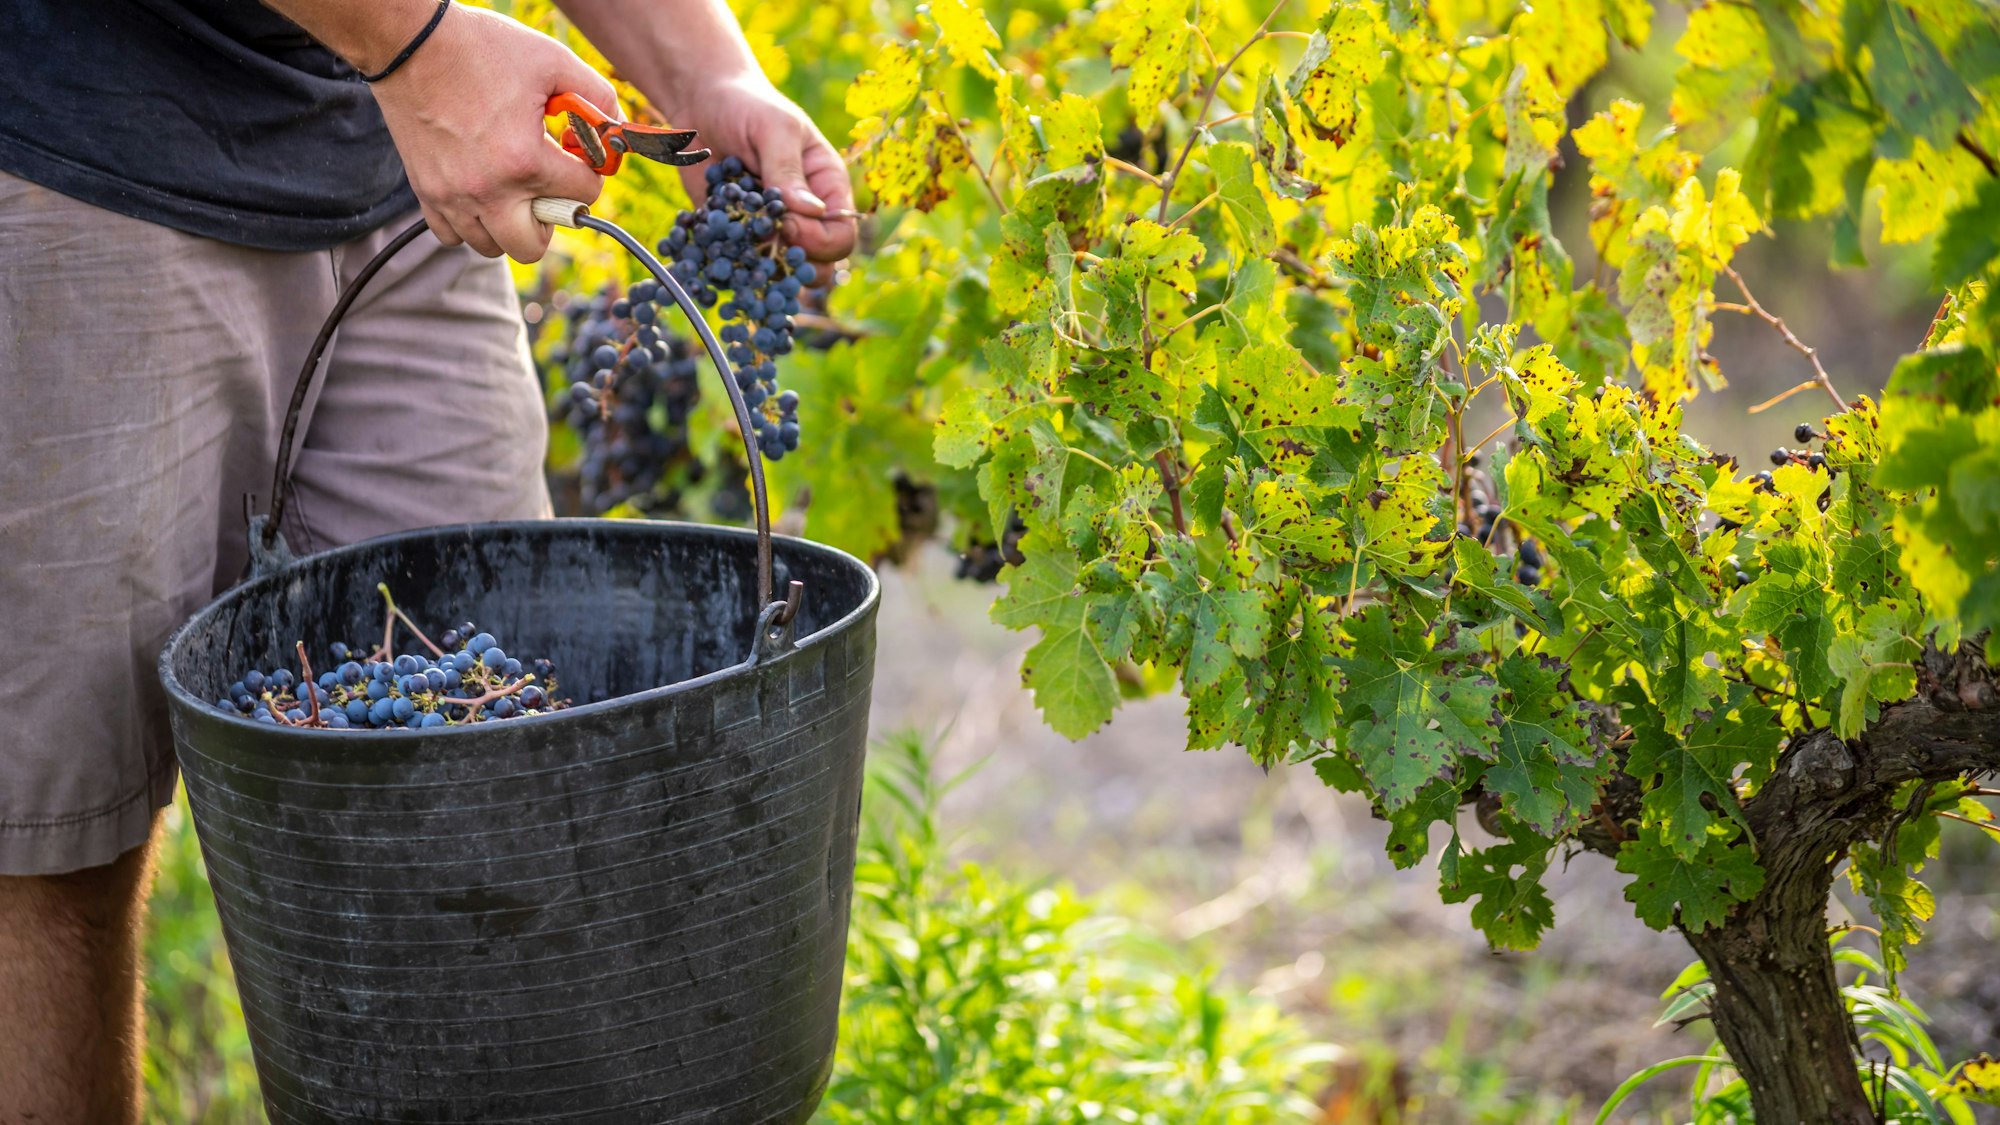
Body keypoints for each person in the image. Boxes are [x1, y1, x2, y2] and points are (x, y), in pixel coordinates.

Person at [0, 1, 855, 1119]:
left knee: (498, 790)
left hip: (395, 173)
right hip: (79, 152)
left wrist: (705, 74)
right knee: (51, 852)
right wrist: (418, 45)